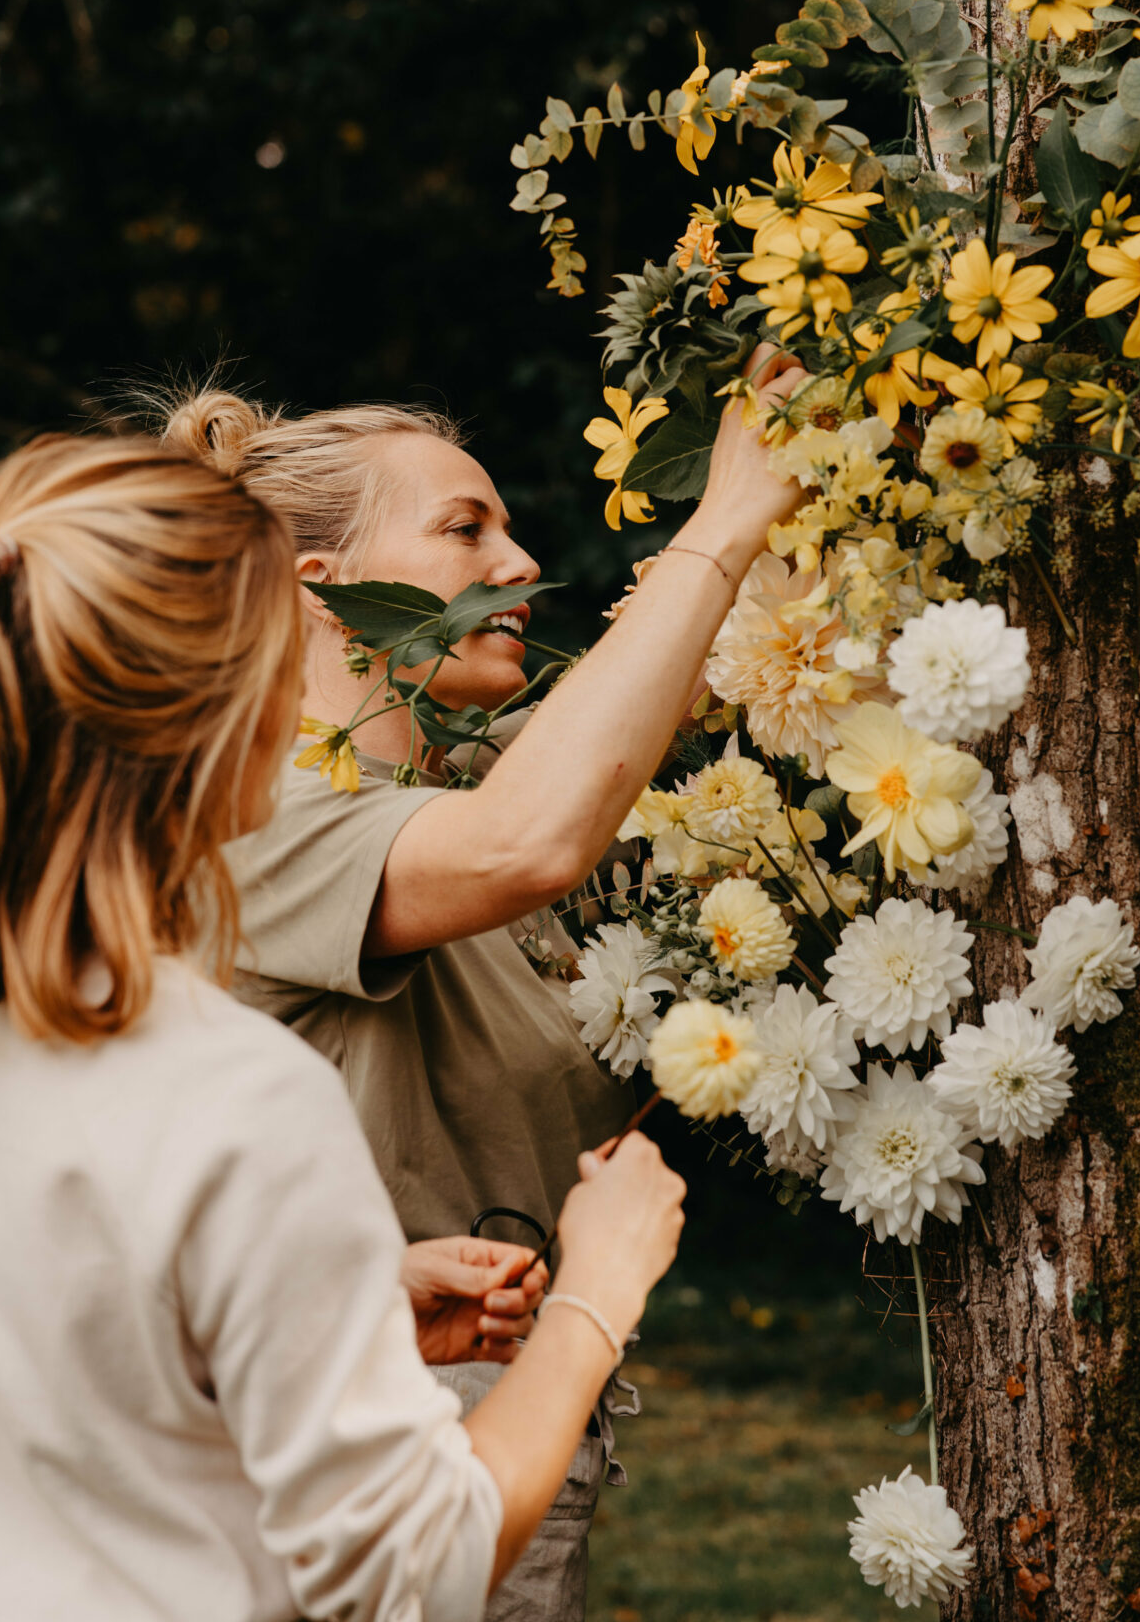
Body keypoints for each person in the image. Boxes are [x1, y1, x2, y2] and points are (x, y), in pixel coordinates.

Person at [0, 433, 687, 1622]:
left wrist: (354, 1293)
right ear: (243, 699)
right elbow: (409, 1566)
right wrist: (594, 1297)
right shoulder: (231, 1095)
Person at [159, 344, 803, 1621]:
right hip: (367, 1442)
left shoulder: (449, 783)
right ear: (316, 588)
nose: (518, 566)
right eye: (466, 529)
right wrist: (722, 513)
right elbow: (532, 841)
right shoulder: (243, 818)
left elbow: (642, 703)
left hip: (509, 1415)